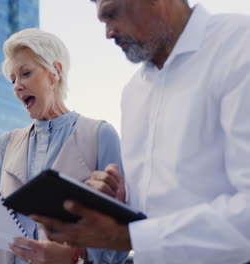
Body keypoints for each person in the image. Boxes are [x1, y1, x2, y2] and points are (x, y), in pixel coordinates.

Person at [32, 0, 250, 263]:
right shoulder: (133, 92)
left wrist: (129, 235)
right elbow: (156, 212)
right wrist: (117, 203)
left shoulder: (239, 45)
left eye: (111, 14)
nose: (108, 33)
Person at [0, 28, 128, 264]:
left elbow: (119, 243)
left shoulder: (100, 135)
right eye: (13, 79)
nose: (17, 86)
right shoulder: (6, 144)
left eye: (26, 73)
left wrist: (75, 256)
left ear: (55, 72)